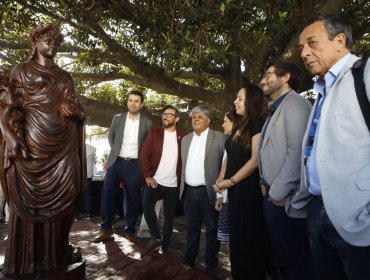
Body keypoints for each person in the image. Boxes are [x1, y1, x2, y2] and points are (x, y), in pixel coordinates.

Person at [0, 23, 85, 275]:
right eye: (48, 40)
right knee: (28, 203)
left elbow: (78, 109)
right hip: (32, 147)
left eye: (56, 42)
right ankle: (28, 259)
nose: (53, 45)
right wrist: (12, 139)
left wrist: (77, 113)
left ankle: (56, 253)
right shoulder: (21, 71)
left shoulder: (65, 76)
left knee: (69, 196)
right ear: (34, 43)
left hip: (63, 147)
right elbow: (6, 107)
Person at [292, 14, 370, 280]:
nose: (304, 52)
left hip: (359, 218)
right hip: (316, 209)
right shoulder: (322, 89)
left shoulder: (364, 74)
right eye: (301, 47)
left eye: (312, 43)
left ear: (339, 41)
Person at [258, 60, 313, 279]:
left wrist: (276, 193)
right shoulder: (277, 108)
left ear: (285, 77)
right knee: (283, 262)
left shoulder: (296, 104)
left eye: (268, 74)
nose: (263, 80)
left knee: (297, 266)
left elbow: (297, 152)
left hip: (285, 202)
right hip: (273, 198)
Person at [214, 83, 268, 279]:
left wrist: (231, 181)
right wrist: (221, 180)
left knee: (249, 245)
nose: (235, 101)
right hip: (235, 193)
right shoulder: (240, 125)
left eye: (240, 98)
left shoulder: (258, 124)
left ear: (251, 101)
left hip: (250, 193)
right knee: (236, 244)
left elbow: (255, 161)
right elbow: (231, 157)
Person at [94, 90, 152, 242]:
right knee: (107, 194)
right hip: (116, 162)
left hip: (134, 165)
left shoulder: (147, 122)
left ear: (141, 104)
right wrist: (115, 152)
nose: (133, 103)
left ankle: (130, 230)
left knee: (133, 199)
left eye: (136, 101)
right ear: (127, 102)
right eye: (131, 100)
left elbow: (146, 145)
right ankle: (106, 229)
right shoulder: (117, 119)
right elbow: (111, 137)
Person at [180, 105, 226, 278]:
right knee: (191, 228)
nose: (195, 119)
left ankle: (211, 264)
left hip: (210, 192)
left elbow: (225, 166)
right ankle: (189, 260)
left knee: (212, 229)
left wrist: (221, 193)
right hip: (189, 192)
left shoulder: (220, 138)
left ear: (208, 120)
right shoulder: (185, 139)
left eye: (199, 117)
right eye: (193, 117)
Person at [140, 105, 186, 253]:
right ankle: (156, 237)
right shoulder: (154, 133)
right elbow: (144, 155)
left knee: (169, 217)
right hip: (155, 181)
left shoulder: (183, 137)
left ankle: (164, 246)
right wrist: (147, 175)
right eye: (164, 114)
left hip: (173, 184)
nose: (165, 117)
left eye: (170, 115)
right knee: (147, 207)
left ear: (177, 119)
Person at [214, 111, 239, 256]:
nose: (222, 124)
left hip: (235, 197)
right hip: (226, 196)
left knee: (233, 239)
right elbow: (223, 171)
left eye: (225, 121)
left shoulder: (237, 144)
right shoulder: (228, 142)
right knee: (228, 240)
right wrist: (219, 195)